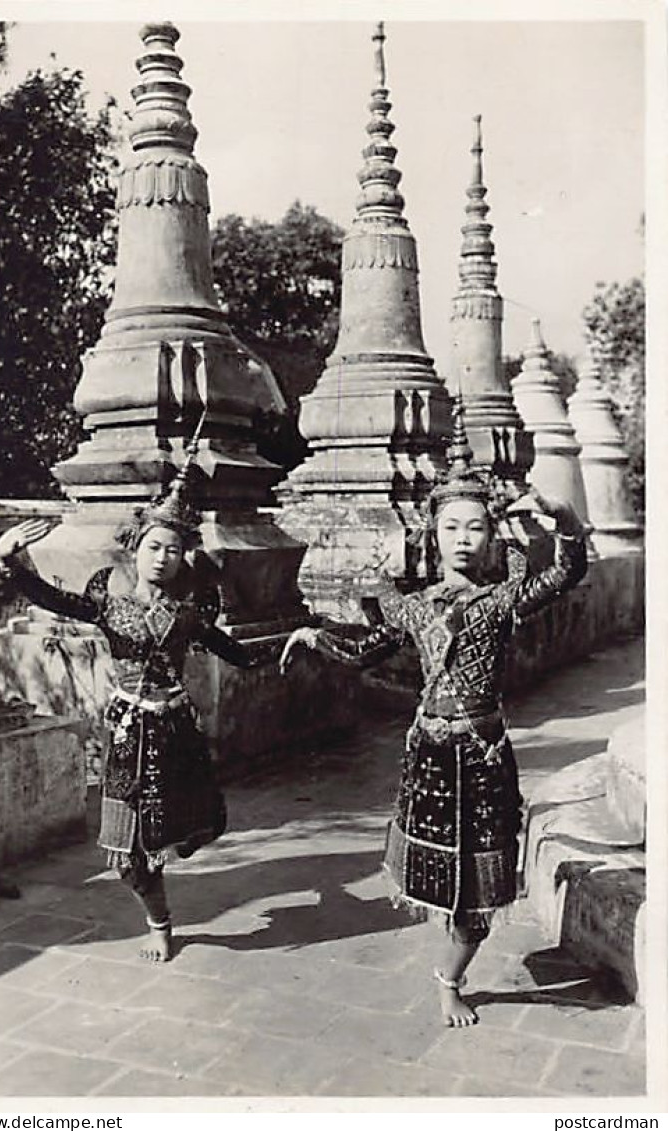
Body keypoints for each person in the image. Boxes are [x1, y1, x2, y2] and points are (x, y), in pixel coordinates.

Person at [280, 399, 587, 1028]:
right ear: (433, 535)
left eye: (476, 527)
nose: (464, 539)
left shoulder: (502, 601)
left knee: (480, 891)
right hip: (429, 751)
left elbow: (566, 571)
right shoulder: (414, 606)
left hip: (482, 751)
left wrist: (561, 517)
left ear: (489, 535)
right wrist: (316, 638)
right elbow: (364, 652)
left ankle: (450, 976)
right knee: (438, 876)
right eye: (452, 528)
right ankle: (446, 967)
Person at [0, 483, 276, 964]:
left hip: (176, 734)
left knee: (179, 827)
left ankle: (170, 870)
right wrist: (8, 561)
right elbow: (52, 599)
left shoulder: (191, 611)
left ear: (184, 556)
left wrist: (295, 645)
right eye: (154, 546)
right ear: (135, 548)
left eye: (173, 549)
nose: (162, 557)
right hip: (127, 735)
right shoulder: (107, 599)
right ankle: (159, 922)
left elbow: (237, 655)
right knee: (128, 851)